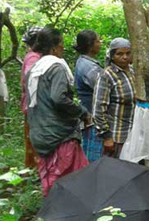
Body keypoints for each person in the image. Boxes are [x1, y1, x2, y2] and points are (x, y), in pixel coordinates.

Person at [26, 28, 89, 196]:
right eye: (61, 44)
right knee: (72, 181)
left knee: (50, 179)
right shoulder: (56, 68)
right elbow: (58, 98)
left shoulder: (34, 70)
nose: (63, 48)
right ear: (53, 48)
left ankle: (52, 217)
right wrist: (82, 112)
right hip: (59, 135)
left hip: (39, 134)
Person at [92, 38, 135, 159]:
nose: (125, 57)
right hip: (117, 137)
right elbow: (98, 109)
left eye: (128, 53)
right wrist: (107, 137)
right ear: (112, 56)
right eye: (120, 54)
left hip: (134, 135)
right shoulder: (107, 75)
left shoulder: (132, 72)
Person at [73, 30, 103, 162]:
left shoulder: (87, 63)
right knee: (94, 156)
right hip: (92, 117)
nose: (100, 43)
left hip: (91, 116)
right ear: (90, 45)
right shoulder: (88, 67)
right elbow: (102, 88)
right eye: (97, 41)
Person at [20, 26, 43, 169]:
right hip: (33, 106)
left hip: (32, 105)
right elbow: (31, 79)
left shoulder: (36, 56)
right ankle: (33, 171)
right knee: (34, 141)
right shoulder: (33, 58)